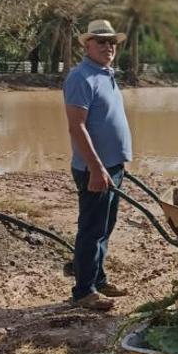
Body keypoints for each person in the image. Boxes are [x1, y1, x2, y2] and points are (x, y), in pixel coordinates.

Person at [63, 19, 133, 311]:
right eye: (101, 41)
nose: (108, 46)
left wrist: (115, 162)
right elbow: (77, 127)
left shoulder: (106, 74)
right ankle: (83, 292)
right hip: (95, 169)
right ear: (87, 45)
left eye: (111, 42)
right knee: (91, 230)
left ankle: (98, 279)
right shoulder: (81, 78)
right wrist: (96, 167)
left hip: (113, 167)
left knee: (106, 227)